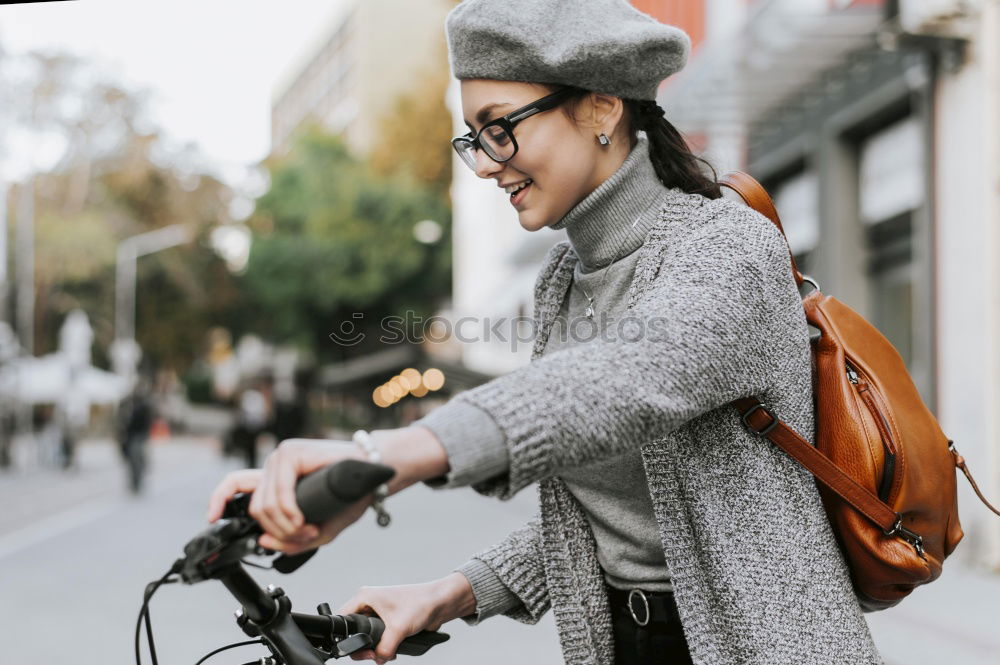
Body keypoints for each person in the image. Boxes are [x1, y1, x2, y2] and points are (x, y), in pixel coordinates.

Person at [207, 1, 885, 664]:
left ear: (601, 106)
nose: (484, 162)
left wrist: (384, 456)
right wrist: (447, 594)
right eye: (473, 136)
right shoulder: (562, 279)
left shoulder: (728, 245)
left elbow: (631, 377)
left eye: (500, 127)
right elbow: (606, 515)